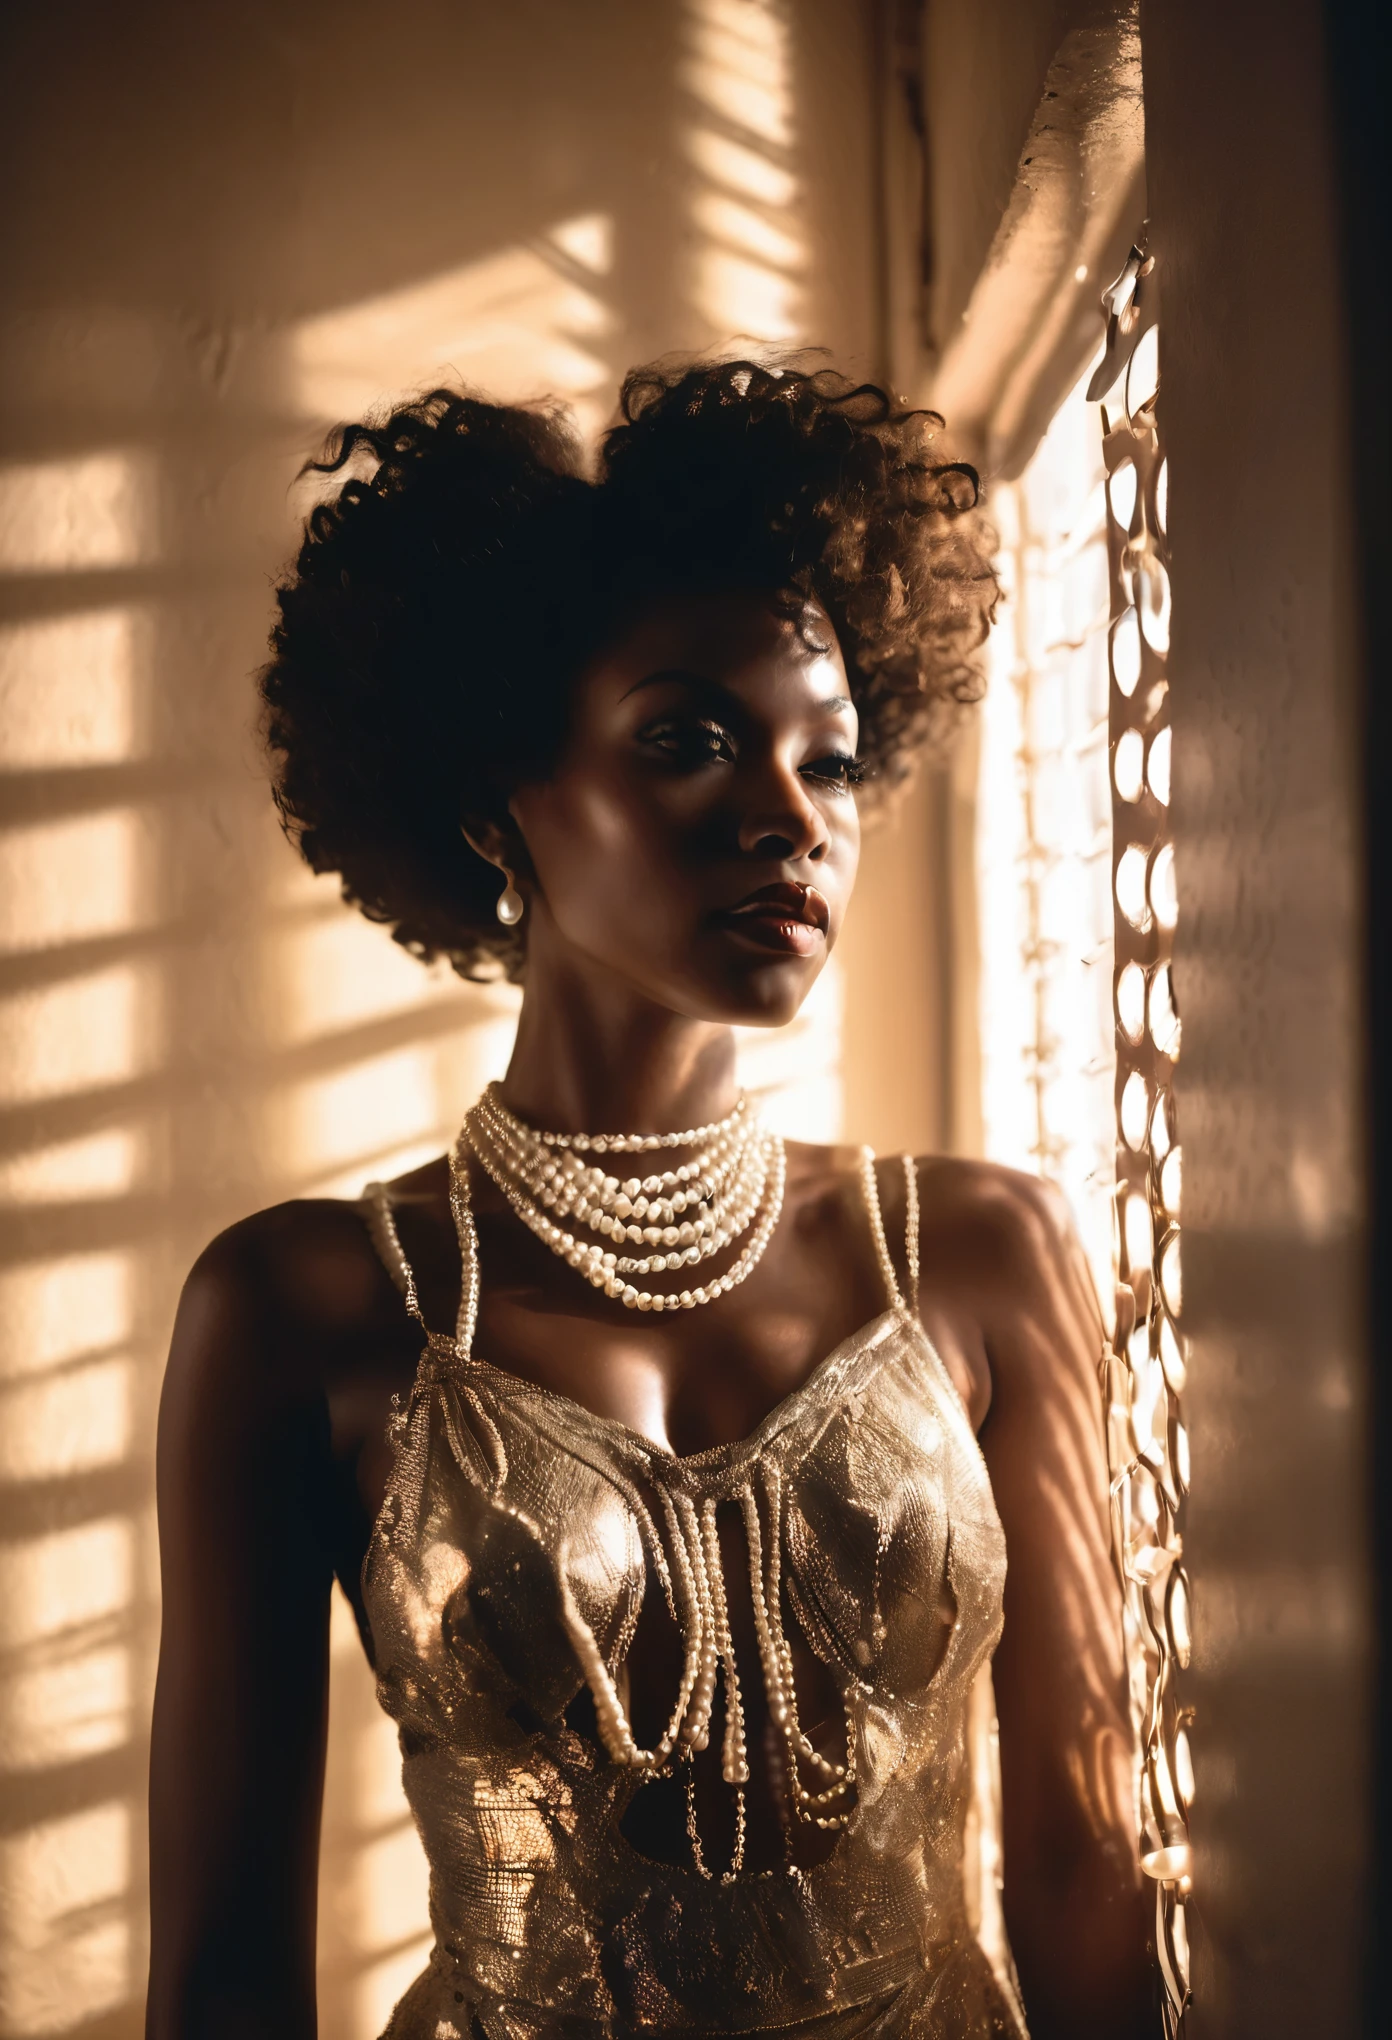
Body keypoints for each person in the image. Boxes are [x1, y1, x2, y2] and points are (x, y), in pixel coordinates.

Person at [146, 360, 1151, 2039]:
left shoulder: (982, 1254)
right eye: (690, 739)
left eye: (831, 764)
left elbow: (1084, 1875)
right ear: (494, 802)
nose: (790, 819)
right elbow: (226, 1976)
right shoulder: (302, 1309)